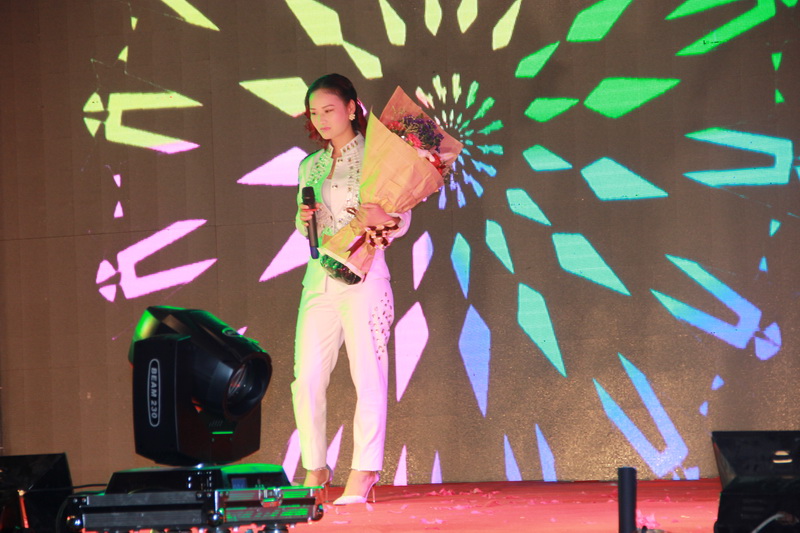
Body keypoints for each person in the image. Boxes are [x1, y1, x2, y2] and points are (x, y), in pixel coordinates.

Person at [292, 73, 411, 505]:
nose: (322, 119)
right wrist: (304, 218)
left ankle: (365, 470)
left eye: (329, 109)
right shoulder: (309, 165)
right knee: (306, 378)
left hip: (365, 278)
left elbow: (402, 219)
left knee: (367, 374)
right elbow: (304, 222)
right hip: (319, 278)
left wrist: (385, 218)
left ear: (351, 107)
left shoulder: (378, 156)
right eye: (314, 113)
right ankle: (315, 467)